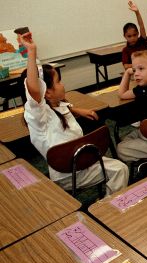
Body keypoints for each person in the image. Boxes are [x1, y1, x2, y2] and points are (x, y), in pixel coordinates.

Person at [19, 32, 128, 195]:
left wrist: (77, 110)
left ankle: (107, 201)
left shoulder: (57, 105)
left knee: (117, 167)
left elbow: (63, 107)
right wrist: (32, 52)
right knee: (120, 170)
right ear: (46, 92)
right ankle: (109, 209)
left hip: (82, 162)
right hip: (69, 173)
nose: (63, 85)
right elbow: (34, 89)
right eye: (59, 82)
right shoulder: (39, 116)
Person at [122, 0, 147, 70]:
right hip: (136, 73)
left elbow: (141, 26)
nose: (132, 38)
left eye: (134, 35)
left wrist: (137, 12)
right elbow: (126, 66)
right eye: (129, 36)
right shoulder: (125, 50)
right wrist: (140, 63)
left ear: (138, 34)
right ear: (124, 36)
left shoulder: (142, 41)